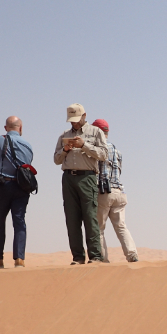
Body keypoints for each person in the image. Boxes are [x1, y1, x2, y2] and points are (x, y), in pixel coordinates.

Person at [54, 103, 108, 265]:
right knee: (72, 219)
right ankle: (77, 257)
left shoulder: (95, 132)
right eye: (71, 120)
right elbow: (56, 160)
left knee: (90, 217)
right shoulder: (64, 135)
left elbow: (103, 154)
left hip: (88, 177)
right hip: (68, 178)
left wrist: (84, 145)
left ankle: (95, 256)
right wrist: (66, 149)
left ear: (84, 116)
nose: (74, 123)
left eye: (76, 120)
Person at [0, 116, 34, 268]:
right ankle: (19, 259)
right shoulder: (27, 144)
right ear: (20, 128)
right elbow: (29, 163)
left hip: (1, 185)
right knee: (19, 222)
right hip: (21, 187)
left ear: (5, 128)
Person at [92, 119, 139, 263]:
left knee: (98, 229)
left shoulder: (98, 149)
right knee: (121, 226)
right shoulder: (117, 150)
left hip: (104, 192)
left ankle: (102, 259)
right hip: (119, 191)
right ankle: (132, 255)